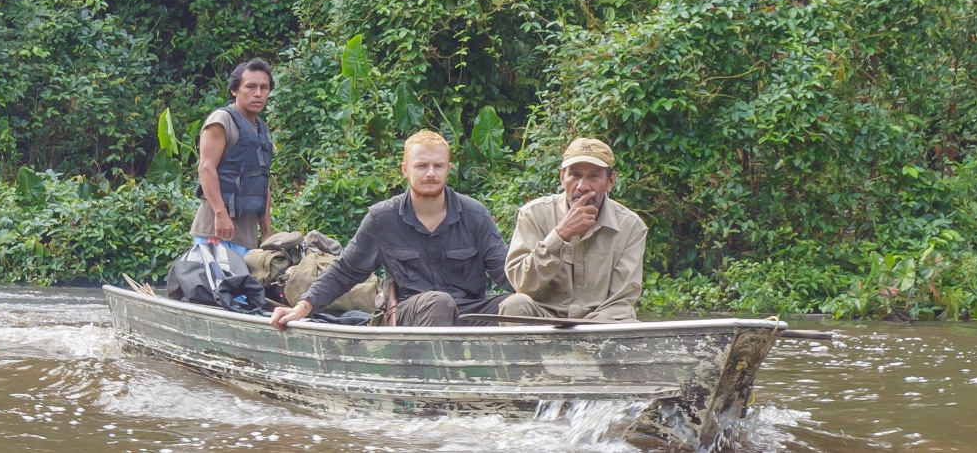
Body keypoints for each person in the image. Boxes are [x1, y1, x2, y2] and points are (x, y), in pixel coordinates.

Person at [269, 131, 514, 329]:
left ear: (448, 169)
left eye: (438, 166)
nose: (430, 173)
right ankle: (433, 383)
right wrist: (302, 307)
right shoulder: (382, 218)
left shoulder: (475, 215)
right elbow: (345, 270)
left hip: (470, 313)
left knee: (519, 304)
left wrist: (546, 295)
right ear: (405, 170)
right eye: (422, 166)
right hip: (410, 315)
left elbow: (508, 273)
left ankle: (519, 382)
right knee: (439, 302)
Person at [500, 137, 647, 321]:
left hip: (602, 323)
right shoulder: (534, 214)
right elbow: (522, 283)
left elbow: (622, 301)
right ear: (562, 177)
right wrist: (559, 235)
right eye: (575, 175)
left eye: (594, 176)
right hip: (545, 319)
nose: (583, 187)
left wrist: (587, 335)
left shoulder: (631, 226)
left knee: (627, 320)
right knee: (514, 305)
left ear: (610, 181)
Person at [190, 57, 276, 258]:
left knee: (245, 290)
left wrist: (266, 233)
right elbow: (206, 168)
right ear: (234, 90)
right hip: (217, 232)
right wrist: (221, 215)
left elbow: (263, 183)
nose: (258, 93)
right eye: (250, 87)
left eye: (264, 88)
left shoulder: (262, 130)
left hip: (246, 237)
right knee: (217, 289)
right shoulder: (222, 120)